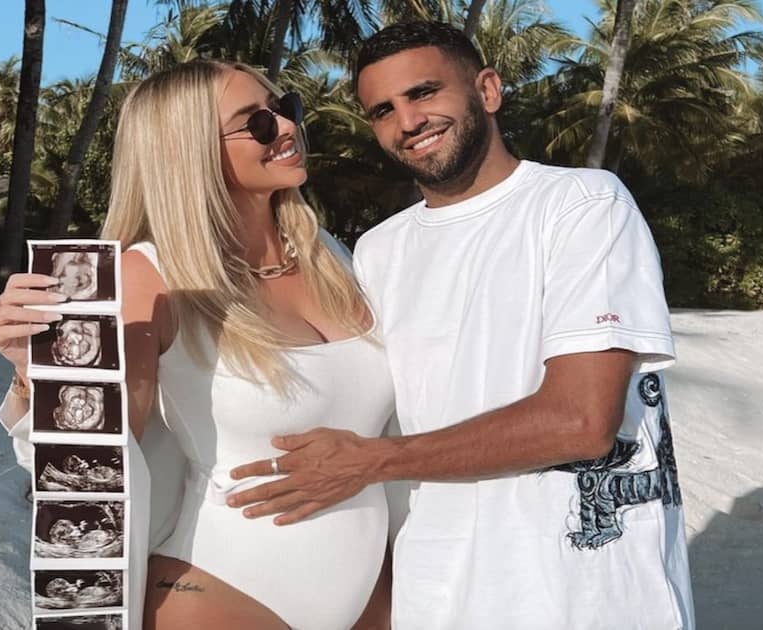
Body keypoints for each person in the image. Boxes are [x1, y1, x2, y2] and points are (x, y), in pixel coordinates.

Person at [226, 21, 695, 629]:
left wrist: (372, 461)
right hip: (438, 591)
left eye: (424, 93)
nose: (408, 121)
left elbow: (581, 421)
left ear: (488, 90)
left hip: (584, 593)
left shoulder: (581, 204)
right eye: (383, 110)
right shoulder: (376, 251)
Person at [0, 59, 395, 629]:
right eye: (256, 123)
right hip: (223, 587)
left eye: (285, 108)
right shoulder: (148, 277)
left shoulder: (328, 253)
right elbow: (95, 463)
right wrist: (35, 373)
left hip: (369, 584)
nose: (285, 127)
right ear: (190, 150)